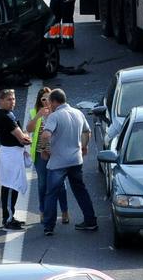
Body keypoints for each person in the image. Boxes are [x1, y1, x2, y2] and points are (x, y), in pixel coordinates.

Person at [39, 88, 99, 235]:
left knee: (51, 193)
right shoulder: (78, 113)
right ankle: (90, 221)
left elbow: (46, 135)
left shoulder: (55, 116)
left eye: (50, 102)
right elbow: (87, 132)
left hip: (58, 162)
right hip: (75, 159)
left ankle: (49, 226)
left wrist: (44, 150)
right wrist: (84, 147)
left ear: (54, 101)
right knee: (80, 190)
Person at [25, 87, 69, 225]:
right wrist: (38, 115)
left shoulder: (58, 112)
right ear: (40, 100)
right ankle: (43, 211)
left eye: (49, 98)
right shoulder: (35, 112)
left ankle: (65, 211)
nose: (46, 101)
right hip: (40, 154)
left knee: (60, 183)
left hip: (56, 153)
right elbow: (29, 129)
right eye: (43, 99)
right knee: (42, 184)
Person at [0, 88, 31, 230]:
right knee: (11, 186)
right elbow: (22, 139)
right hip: (11, 155)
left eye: (14, 99)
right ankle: (8, 219)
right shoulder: (6, 116)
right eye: (9, 99)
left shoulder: (5, 114)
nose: (12, 102)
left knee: (10, 186)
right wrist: (29, 138)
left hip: (10, 154)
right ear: (1, 100)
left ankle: (10, 216)